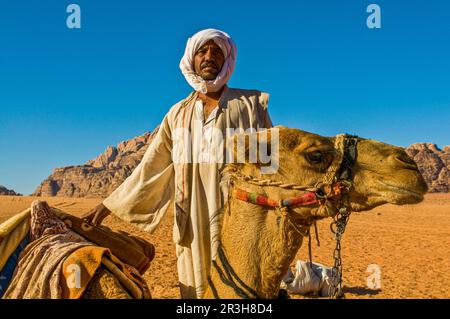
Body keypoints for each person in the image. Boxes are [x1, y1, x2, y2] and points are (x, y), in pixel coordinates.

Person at [82, 28, 273, 298]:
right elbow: (150, 167)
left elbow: (271, 167)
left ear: (227, 60)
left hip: (239, 221)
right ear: (191, 59)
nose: (209, 57)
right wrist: (107, 206)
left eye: (217, 51)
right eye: (202, 51)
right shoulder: (177, 114)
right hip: (190, 224)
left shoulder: (252, 105)